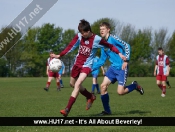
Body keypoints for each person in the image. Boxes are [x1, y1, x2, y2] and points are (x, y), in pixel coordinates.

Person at [51, 19, 126, 117]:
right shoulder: (79, 36)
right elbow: (70, 46)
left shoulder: (97, 39)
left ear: (88, 31)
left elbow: (110, 46)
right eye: (80, 32)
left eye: (83, 33)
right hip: (77, 64)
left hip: (86, 66)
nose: (82, 35)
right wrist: (59, 55)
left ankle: (67, 109)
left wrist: (119, 53)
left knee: (77, 84)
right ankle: (90, 96)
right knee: (72, 84)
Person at [92, 22, 144, 115]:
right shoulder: (103, 45)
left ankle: (135, 86)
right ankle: (107, 111)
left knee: (120, 92)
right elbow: (102, 60)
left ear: (108, 29)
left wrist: (126, 60)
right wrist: (90, 68)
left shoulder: (113, 38)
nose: (101, 31)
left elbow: (127, 46)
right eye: (100, 29)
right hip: (112, 68)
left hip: (122, 67)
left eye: (103, 29)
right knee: (103, 86)